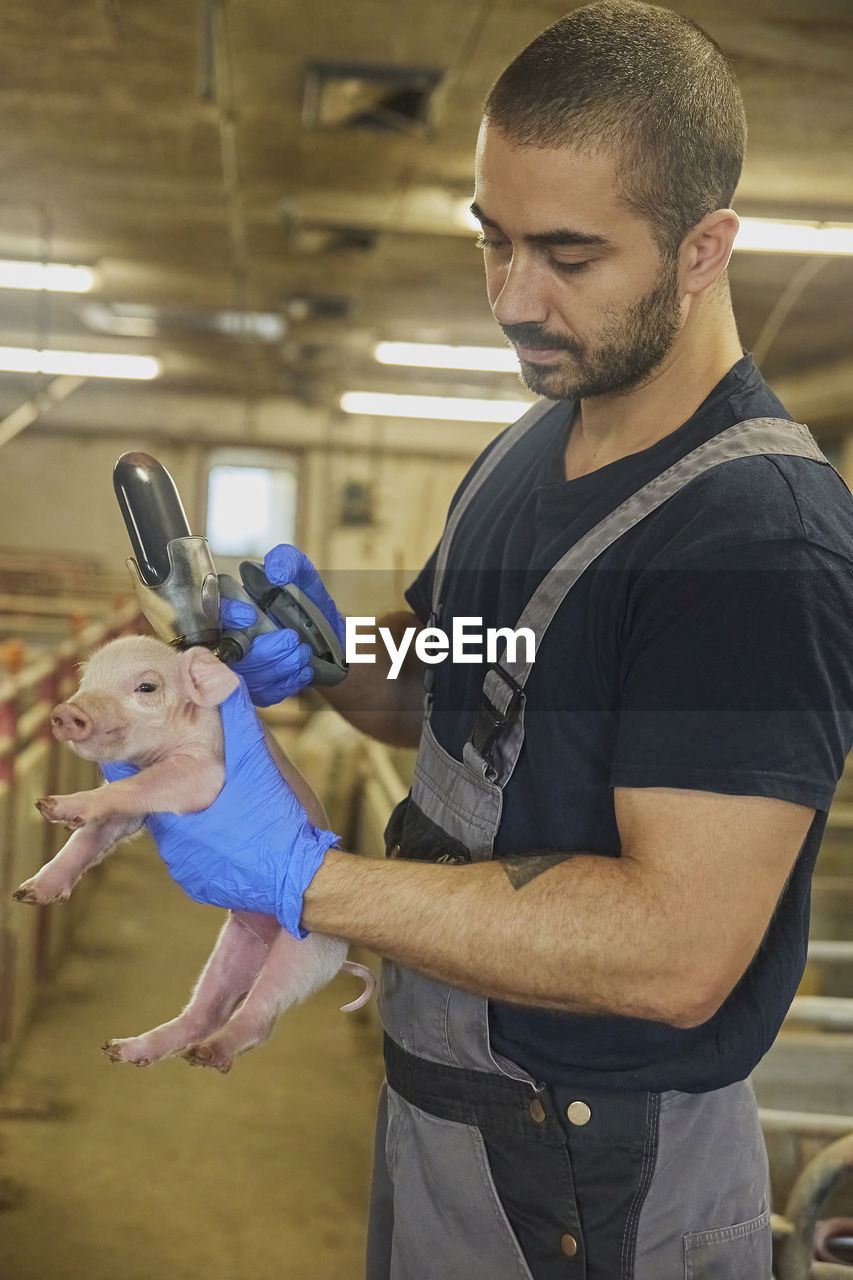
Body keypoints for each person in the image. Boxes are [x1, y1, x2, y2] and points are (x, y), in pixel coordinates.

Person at [148, 3, 853, 1277]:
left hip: (605, 1175)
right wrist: (317, 655)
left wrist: (308, 880)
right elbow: (455, 685)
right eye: (494, 240)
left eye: (569, 256)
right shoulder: (530, 446)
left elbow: (676, 950)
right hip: (451, 1110)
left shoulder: (757, 538)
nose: (512, 299)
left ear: (705, 249)